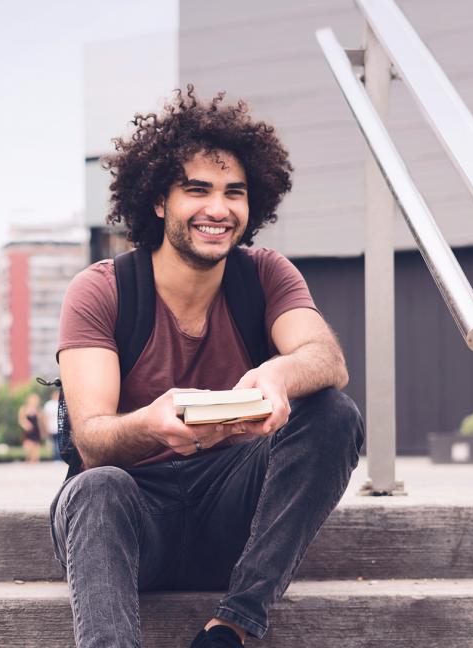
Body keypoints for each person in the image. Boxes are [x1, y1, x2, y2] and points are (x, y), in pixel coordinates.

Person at [51, 88, 364, 648]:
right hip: (131, 517)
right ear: (158, 202)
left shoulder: (265, 274)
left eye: (233, 193)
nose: (218, 209)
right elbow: (92, 440)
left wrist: (277, 376)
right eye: (197, 190)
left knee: (334, 413)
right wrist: (151, 423)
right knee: (95, 487)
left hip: (230, 510)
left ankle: (234, 626)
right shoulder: (102, 290)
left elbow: (327, 358)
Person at [17, 393, 45, 464]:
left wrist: (43, 431)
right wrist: (26, 425)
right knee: (28, 445)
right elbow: (21, 419)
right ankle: (28, 459)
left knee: (36, 445)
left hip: (36, 430)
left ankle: (35, 460)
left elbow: (41, 421)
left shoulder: (38, 409)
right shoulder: (24, 408)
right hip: (28, 430)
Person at [43, 389, 61, 462]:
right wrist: (46, 427)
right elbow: (45, 417)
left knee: (59, 444)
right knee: (55, 444)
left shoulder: (61, 403)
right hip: (52, 427)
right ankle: (57, 458)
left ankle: (59, 458)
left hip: (60, 428)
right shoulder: (49, 404)